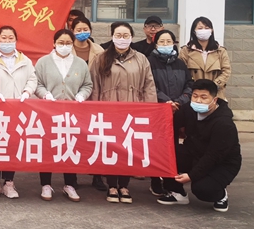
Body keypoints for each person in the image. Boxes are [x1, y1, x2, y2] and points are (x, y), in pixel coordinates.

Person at [89, 22, 157, 204]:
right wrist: (95, 109)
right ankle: (112, 185)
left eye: (125, 35)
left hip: (133, 110)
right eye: (118, 35)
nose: (122, 39)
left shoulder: (141, 59)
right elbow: (94, 86)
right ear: (112, 37)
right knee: (112, 148)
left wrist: (149, 111)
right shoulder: (101, 58)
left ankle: (124, 186)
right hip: (108, 110)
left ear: (131, 37)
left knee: (128, 148)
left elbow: (149, 86)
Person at [157, 80, 241, 212]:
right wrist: (168, 111)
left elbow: (213, 156)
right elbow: (170, 126)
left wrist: (191, 176)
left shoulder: (224, 123)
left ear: (214, 99)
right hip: (194, 153)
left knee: (202, 189)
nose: (198, 101)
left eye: (204, 97)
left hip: (222, 163)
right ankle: (177, 193)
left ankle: (221, 195)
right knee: (165, 153)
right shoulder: (188, 109)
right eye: (195, 96)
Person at [34, 29, 93, 203]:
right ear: (54, 43)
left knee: (70, 146)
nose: (64, 46)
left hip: (72, 113)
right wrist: (45, 94)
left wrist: (81, 95)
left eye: (68, 43)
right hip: (48, 112)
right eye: (61, 42)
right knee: (48, 147)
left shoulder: (80, 63)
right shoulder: (43, 62)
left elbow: (87, 84)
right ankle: (46, 184)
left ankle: (69, 184)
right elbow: (37, 83)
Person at [0, 26, 37, 200]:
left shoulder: (25, 60)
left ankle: (9, 183)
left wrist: (27, 92)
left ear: (16, 40)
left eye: (10, 38)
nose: (7, 41)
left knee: (12, 145)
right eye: (4, 38)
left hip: (17, 109)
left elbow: (32, 79)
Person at [148, 29, 193, 197]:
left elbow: (189, 84)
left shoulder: (180, 63)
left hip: (177, 111)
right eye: (162, 42)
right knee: (156, 147)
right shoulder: (149, 62)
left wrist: (180, 101)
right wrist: (165, 101)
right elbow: (149, 85)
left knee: (172, 147)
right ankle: (155, 181)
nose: (165, 44)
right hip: (158, 111)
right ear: (156, 44)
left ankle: (170, 181)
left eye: (169, 41)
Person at [70, 15, 107, 191]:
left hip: (94, 97)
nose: (82, 32)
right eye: (78, 30)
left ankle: (97, 176)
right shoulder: (66, 49)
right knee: (73, 137)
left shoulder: (99, 51)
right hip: (73, 99)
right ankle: (72, 177)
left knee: (95, 138)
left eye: (85, 29)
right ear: (72, 31)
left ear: (90, 31)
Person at [179, 16, 231, 101]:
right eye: (200, 28)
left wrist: (213, 86)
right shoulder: (185, 51)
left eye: (207, 28)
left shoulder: (221, 51)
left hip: (216, 94)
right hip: (193, 94)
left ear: (212, 30)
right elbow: (182, 72)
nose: (204, 30)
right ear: (194, 31)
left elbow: (226, 71)